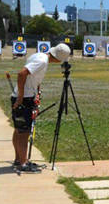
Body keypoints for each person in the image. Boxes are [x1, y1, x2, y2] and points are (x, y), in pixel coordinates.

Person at [11, 43, 71, 172]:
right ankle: (23, 163)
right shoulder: (42, 61)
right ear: (59, 58)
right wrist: (21, 98)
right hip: (24, 99)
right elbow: (22, 74)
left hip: (27, 96)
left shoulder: (39, 56)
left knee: (19, 130)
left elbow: (32, 78)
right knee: (24, 133)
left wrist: (36, 93)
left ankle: (19, 159)